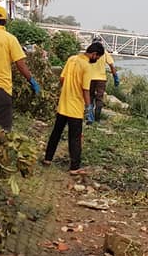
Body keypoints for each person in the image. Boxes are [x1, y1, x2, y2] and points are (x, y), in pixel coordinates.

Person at [42, 42, 104, 174]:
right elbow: (85, 90)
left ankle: (47, 159)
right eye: (97, 58)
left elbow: (62, 79)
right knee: (75, 137)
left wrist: (67, 90)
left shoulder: (71, 59)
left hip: (63, 104)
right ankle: (74, 167)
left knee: (56, 133)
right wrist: (88, 107)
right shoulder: (87, 66)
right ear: (94, 54)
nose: (96, 60)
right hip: (75, 107)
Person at [85, 42, 119, 123]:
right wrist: (115, 77)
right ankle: (97, 119)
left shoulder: (90, 53)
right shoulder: (105, 53)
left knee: (90, 97)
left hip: (90, 78)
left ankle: (90, 118)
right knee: (99, 99)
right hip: (101, 79)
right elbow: (111, 66)